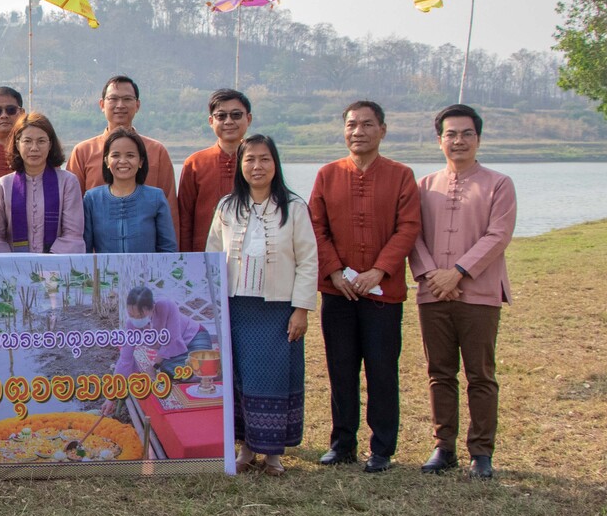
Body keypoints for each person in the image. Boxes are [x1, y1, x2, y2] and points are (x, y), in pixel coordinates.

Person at [308, 100, 422, 474]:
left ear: (383, 130)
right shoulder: (327, 175)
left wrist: (380, 271)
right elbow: (316, 228)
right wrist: (336, 272)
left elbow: (408, 227)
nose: (359, 132)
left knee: (381, 368)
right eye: (352, 125)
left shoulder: (401, 175)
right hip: (338, 292)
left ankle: (383, 447)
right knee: (340, 368)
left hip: (382, 294)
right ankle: (342, 443)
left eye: (367, 125)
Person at [409, 104, 516, 480]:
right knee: (439, 372)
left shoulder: (498, 183)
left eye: (466, 133)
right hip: (432, 295)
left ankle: (482, 452)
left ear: (478, 138)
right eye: (451, 134)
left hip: (479, 294)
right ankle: (444, 447)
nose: (458, 141)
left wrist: (457, 273)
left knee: (480, 374)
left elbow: (498, 235)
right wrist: (431, 275)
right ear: (439, 140)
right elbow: (412, 235)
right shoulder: (423, 186)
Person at [206, 134, 317, 477]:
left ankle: (273, 456)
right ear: (240, 165)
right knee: (240, 380)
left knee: (271, 380)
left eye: (265, 159)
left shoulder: (294, 207)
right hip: (236, 308)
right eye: (250, 159)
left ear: (275, 164)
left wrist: (301, 309)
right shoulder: (226, 207)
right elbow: (212, 255)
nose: (257, 166)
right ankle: (245, 449)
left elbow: (308, 261)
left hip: (277, 310)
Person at [66, 75, 179, 241]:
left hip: (147, 255)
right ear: (102, 104)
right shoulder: (83, 152)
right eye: (113, 99)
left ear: (137, 105)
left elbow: (170, 209)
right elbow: (72, 210)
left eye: (127, 99)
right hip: (97, 256)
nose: (120, 105)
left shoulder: (156, 151)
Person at [102, 285, 215, 414]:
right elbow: (125, 359)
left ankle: (215, 369)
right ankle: (205, 369)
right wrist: (111, 397)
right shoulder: (131, 325)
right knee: (171, 371)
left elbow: (172, 340)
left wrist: (153, 366)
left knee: (193, 370)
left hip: (194, 338)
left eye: (140, 315)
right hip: (174, 352)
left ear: (152, 308)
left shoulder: (166, 306)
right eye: (131, 314)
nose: (136, 319)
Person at [0, 112, 85, 254]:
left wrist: (45, 265)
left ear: (50, 144)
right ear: (17, 144)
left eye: (41, 141)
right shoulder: (3, 185)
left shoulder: (68, 182)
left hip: (56, 268)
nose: (34, 148)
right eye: (27, 141)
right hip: (12, 269)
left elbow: (72, 235)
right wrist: (11, 264)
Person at [178, 89, 252, 251]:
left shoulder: (258, 162)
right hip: (204, 255)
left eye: (236, 115)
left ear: (249, 118)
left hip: (251, 254)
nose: (228, 121)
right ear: (211, 121)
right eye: (221, 116)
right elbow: (185, 218)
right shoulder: (195, 163)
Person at [81, 129, 176, 255]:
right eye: (115, 155)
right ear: (106, 161)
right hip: (105, 273)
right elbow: (84, 249)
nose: (123, 161)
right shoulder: (92, 199)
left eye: (130, 155)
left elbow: (168, 249)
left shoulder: (156, 198)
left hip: (147, 273)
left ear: (141, 161)